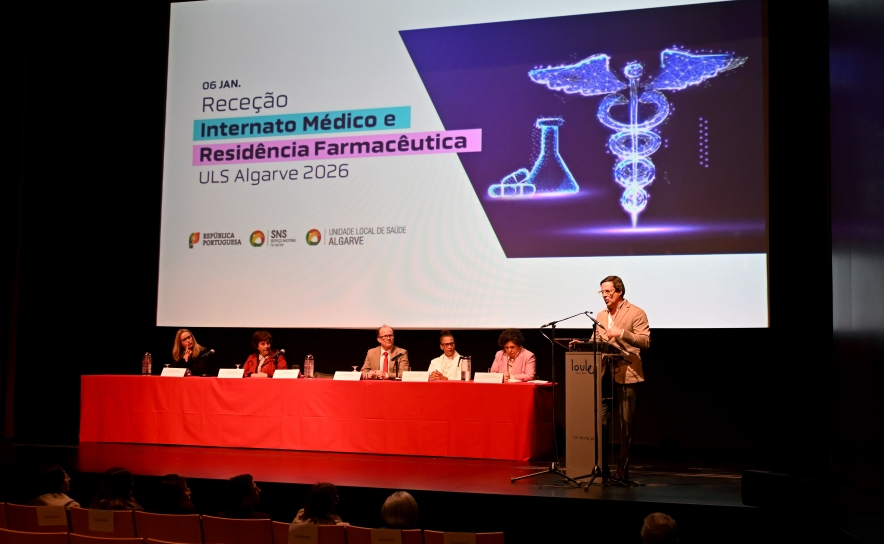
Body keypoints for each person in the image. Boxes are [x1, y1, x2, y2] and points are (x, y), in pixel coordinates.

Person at [595, 275, 650, 480]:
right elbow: (597, 340)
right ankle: (602, 466)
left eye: (608, 291)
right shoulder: (601, 315)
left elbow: (645, 341)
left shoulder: (636, 312)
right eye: (602, 292)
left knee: (626, 424)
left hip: (627, 373)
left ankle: (622, 466)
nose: (604, 295)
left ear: (619, 291)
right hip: (604, 373)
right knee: (600, 420)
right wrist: (582, 344)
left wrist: (622, 333)